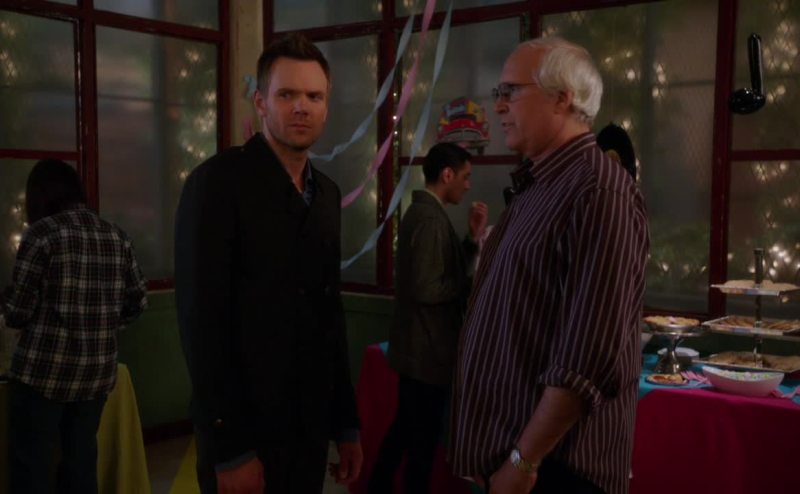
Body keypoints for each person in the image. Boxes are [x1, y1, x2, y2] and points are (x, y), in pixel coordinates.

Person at [449, 37, 649, 494]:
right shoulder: (540, 184)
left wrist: (523, 461)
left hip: (556, 469)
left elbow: (588, 357)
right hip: (518, 459)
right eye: (497, 93)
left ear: (562, 98)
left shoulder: (598, 190)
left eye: (510, 92)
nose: (498, 106)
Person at [174, 33, 362, 494]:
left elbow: (329, 314)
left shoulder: (327, 194)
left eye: (314, 96)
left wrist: (346, 424)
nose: (302, 107)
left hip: (309, 427)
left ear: (326, 107)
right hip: (245, 429)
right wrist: (230, 448)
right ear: (260, 102)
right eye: (287, 94)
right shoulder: (217, 184)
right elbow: (202, 325)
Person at [3, 159, 148, 494]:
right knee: (80, 462)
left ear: (39, 196)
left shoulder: (41, 235)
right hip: (95, 375)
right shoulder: (115, 235)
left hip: (43, 373)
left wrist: (9, 302)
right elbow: (138, 302)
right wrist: (102, 323)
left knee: (32, 467)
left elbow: (17, 313)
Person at [368, 142, 488, 493]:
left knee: (406, 431)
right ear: (447, 174)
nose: (467, 185)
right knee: (419, 445)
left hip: (422, 351)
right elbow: (426, 287)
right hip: (427, 352)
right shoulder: (428, 218)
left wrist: (471, 238)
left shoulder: (427, 214)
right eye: (465, 176)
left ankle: (378, 486)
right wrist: (471, 284)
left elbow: (438, 273)